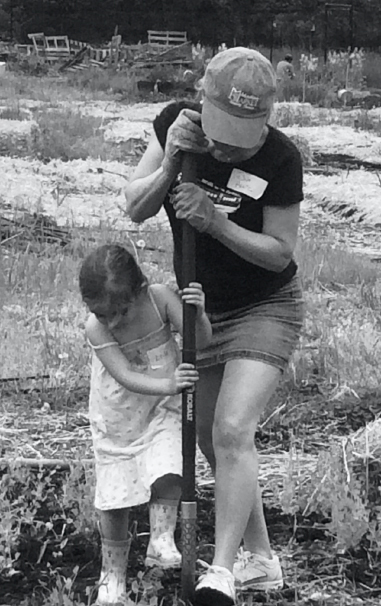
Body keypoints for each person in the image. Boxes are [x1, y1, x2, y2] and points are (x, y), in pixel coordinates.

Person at [125, 46, 304, 606]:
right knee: (207, 436)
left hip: (265, 307)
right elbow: (134, 206)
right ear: (204, 102)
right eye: (224, 127)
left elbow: (280, 253)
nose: (230, 143)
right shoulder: (176, 127)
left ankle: (221, 575)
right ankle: (262, 561)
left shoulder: (280, 160)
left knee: (231, 428)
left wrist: (217, 223)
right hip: (200, 308)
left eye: (244, 131)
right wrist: (174, 162)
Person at [79, 243, 212, 606]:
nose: (113, 323)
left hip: (163, 409)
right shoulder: (96, 327)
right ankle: (113, 576)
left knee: (171, 464)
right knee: (115, 494)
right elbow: (123, 375)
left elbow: (200, 342)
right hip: (117, 417)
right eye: (103, 315)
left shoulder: (160, 300)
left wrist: (196, 314)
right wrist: (169, 383)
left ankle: (162, 539)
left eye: (120, 312)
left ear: (139, 290)